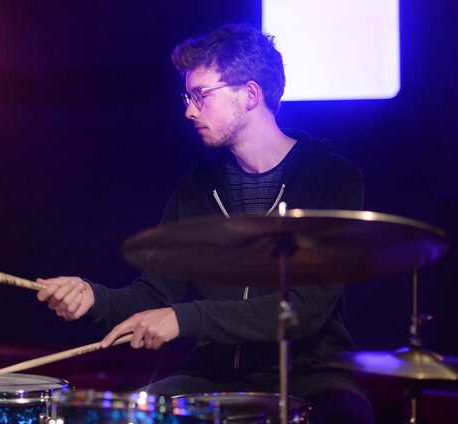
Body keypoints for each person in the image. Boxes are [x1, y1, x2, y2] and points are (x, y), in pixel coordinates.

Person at [37, 23, 375, 423]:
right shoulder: (196, 188)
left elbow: (305, 309)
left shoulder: (331, 178)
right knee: (132, 415)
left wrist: (187, 318)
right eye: (188, 96)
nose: (189, 110)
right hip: (212, 375)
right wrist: (93, 298)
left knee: (347, 415)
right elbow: (156, 296)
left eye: (201, 95)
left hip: (310, 377)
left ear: (250, 94)